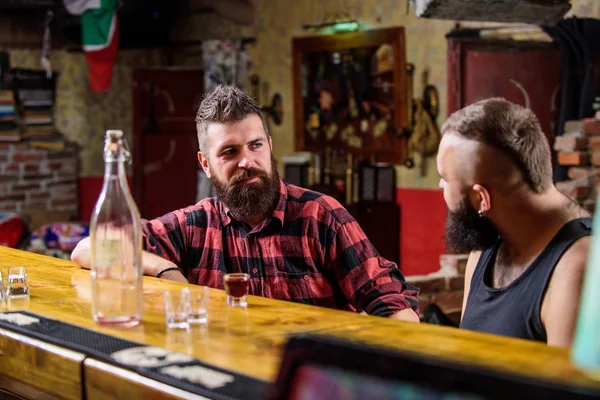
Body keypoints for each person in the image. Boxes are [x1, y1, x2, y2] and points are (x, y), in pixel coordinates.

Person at [72, 85, 420, 322]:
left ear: (269, 145)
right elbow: (89, 248)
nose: (246, 161)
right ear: (205, 163)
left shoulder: (322, 217)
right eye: (229, 151)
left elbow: (392, 305)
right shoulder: (193, 226)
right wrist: (163, 269)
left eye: (255, 146)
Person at [437, 98, 591, 347]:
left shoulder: (576, 270)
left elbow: (566, 386)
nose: (440, 186)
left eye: (444, 177)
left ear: (481, 199)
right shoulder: (485, 247)